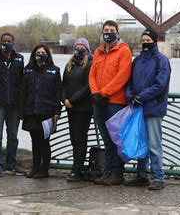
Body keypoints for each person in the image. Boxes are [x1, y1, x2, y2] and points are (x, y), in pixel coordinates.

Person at [125, 29, 171, 190]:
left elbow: (160, 85)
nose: (145, 43)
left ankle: (159, 177)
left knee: (154, 145)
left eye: (147, 40)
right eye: (143, 40)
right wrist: (130, 95)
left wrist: (140, 97)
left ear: (154, 41)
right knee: (141, 143)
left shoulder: (162, 60)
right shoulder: (137, 61)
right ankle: (142, 175)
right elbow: (129, 81)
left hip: (153, 108)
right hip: (138, 107)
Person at [88, 20, 132, 186]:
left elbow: (122, 76)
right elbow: (91, 75)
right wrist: (95, 93)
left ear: (117, 33)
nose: (108, 32)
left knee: (116, 139)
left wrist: (104, 93)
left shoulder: (124, 51)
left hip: (115, 102)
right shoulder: (98, 52)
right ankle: (108, 172)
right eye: (106, 30)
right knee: (106, 139)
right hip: (98, 101)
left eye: (111, 30)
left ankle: (117, 173)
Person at [0, 32, 25, 177]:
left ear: (13, 43)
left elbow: (22, 82)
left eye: (9, 41)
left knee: (13, 135)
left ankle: (12, 164)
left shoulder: (20, 59)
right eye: (4, 41)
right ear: (0, 42)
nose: (6, 43)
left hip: (14, 103)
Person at [20, 44, 61, 179]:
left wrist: (57, 111)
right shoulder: (27, 71)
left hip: (47, 112)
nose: (40, 54)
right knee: (34, 141)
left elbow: (57, 93)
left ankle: (44, 169)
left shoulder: (54, 71)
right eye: (38, 52)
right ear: (33, 54)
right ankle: (35, 167)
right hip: (31, 111)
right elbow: (23, 92)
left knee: (44, 141)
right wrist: (22, 111)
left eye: (43, 52)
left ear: (48, 55)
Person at [61, 38, 93, 182]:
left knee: (80, 139)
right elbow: (63, 84)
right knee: (74, 139)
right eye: (77, 46)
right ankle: (76, 167)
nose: (79, 49)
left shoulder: (90, 64)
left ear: (87, 49)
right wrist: (64, 99)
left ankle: (77, 170)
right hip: (70, 108)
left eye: (82, 47)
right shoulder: (69, 64)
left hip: (84, 107)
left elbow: (88, 86)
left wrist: (72, 100)